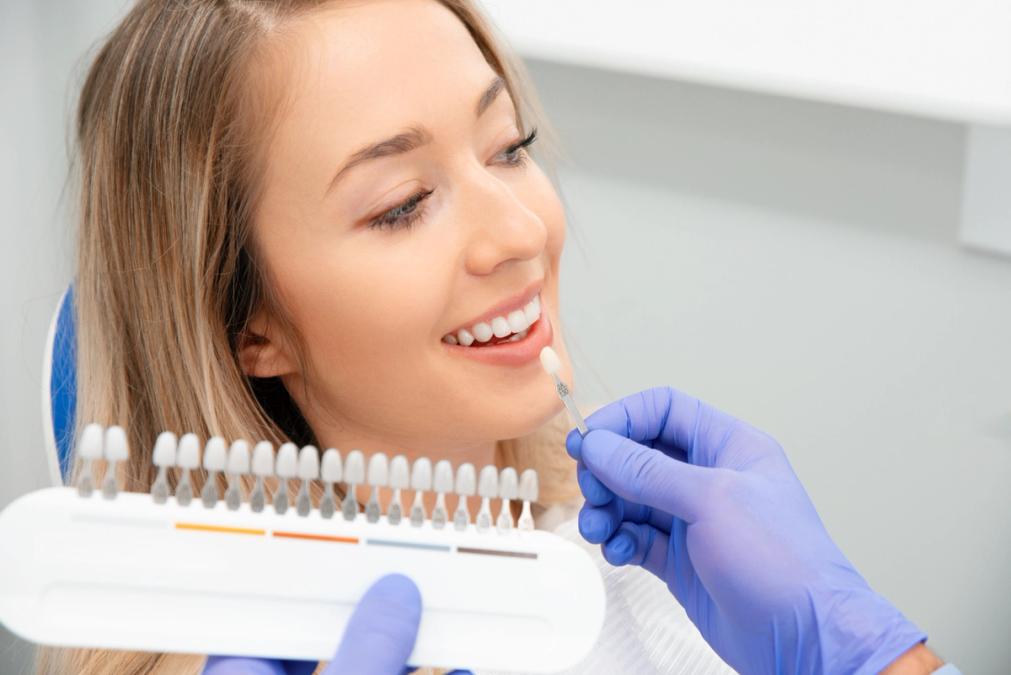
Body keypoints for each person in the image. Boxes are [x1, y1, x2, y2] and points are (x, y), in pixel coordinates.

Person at [212, 387, 958, 675]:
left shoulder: (641, 573)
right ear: (255, 331)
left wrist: (865, 653)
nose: (519, 228)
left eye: (509, 149)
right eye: (402, 205)